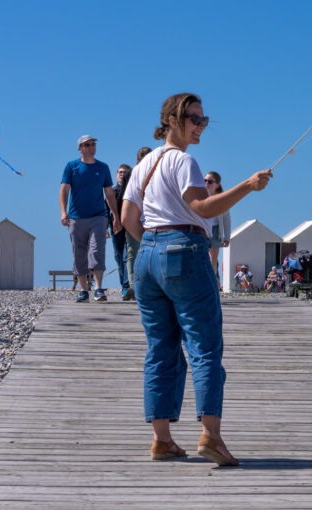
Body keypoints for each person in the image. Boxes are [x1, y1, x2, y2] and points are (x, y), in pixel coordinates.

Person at [121, 92, 272, 466]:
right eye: (194, 118)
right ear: (172, 119)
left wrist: (155, 246)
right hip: (185, 248)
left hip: (147, 256)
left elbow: (126, 220)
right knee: (205, 347)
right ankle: (212, 436)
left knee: (160, 349)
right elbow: (204, 208)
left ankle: (162, 440)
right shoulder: (183, 161)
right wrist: (247, 186)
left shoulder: (144, 165)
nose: (200, 126)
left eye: (204, 120)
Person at [59, 135, 122, 302]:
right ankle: (83, 289)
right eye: (87, 145)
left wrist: (116, 216)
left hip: (98, 216)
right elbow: (64, 190)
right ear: (80, 148)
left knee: (96, 250)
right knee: (79, 253)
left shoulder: (103, 167)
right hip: (76, 217)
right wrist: (63, 212)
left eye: (93, 144)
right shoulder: (72, 166)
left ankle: (99, 288)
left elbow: (109, 193)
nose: (91, 147)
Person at [123, 147, 153, 301]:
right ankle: (137, 285)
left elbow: (123, 197)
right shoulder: (154, 172)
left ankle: (135, 284)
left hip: (137, 218)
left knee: (133, 254)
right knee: (145, 253)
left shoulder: (131, 173)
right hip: (148, 219)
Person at [107, 164, 133, 300]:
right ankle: (124, 284)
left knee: (125, 256)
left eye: (125, 172)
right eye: (120, 172)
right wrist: (105, 227)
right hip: (115, 228)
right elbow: (106, 210)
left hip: (129, 227)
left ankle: (126, 286)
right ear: (116, 175)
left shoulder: (131, 191)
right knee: (118, 257)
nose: (122, 175)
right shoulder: (111, 191)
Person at [204, 171, 230, 290]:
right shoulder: (200, 196)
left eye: (209, 181)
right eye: (204, 181)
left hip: (216, 231)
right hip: (203, 229)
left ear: (217, 184)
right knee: (202, 258)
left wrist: (226, 237)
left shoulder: (222, 199)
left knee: (213, 260)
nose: (206, 183)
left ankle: (212, 286)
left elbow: (226, 219)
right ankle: (203, 285)